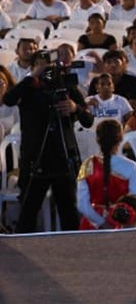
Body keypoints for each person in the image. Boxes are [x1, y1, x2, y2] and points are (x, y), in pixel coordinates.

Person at [4, 51, 95, 232]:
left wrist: (74, 107)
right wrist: (33, 76)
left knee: (68, 210)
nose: (47, 70)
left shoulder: (65, 87)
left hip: (62, 156)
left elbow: (88, 120)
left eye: (49, 65)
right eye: (40, 65)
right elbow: (8, 99)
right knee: (28, 211)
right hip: (35, 158)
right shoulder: (28, 88)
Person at [75, 119, 136, 230]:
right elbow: (135, 203)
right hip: (124, 221)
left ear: (97, 139)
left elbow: (82, 205)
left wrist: (102, 222)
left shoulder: (87, 165)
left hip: (92, 226)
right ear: (120, 138)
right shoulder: (132, 167)